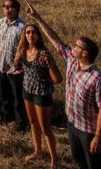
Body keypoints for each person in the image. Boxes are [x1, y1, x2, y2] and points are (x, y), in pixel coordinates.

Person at [25, 3, 101, 169]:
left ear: (85, 53)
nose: (73, 46)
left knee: (94, 164)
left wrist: (98, 136)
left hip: (88, 130)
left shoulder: (97, 79)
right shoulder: (72, 61)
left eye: (77, 46)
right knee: (78, 160)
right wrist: (37, 18)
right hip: (71, 124)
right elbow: (56, 40)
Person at [14, 23, 61, 167]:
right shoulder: (23, 51)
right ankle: (38, 151)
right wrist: (17, 64)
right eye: (27, 33)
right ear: (24, 35)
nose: (30, 35)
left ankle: (54, 159)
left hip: (42, 93)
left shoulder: (43, 54)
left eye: (33, 32)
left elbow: (57, 79)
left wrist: (47, 70)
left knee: (45, 127)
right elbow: (19, 68)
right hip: (27, 90)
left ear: (38, 35)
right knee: (33, 123)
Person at [0, 0, 28, 129]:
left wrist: (20, 65)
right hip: (2, 65)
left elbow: (25, 49)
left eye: (9, 7)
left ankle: (20, 122)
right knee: (4, 93)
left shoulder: (22, 27)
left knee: (18, 97)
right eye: (4, 6)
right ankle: (7, 117)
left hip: (16, 69)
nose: (6, 9)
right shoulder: (0, 22)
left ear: (16, 10)